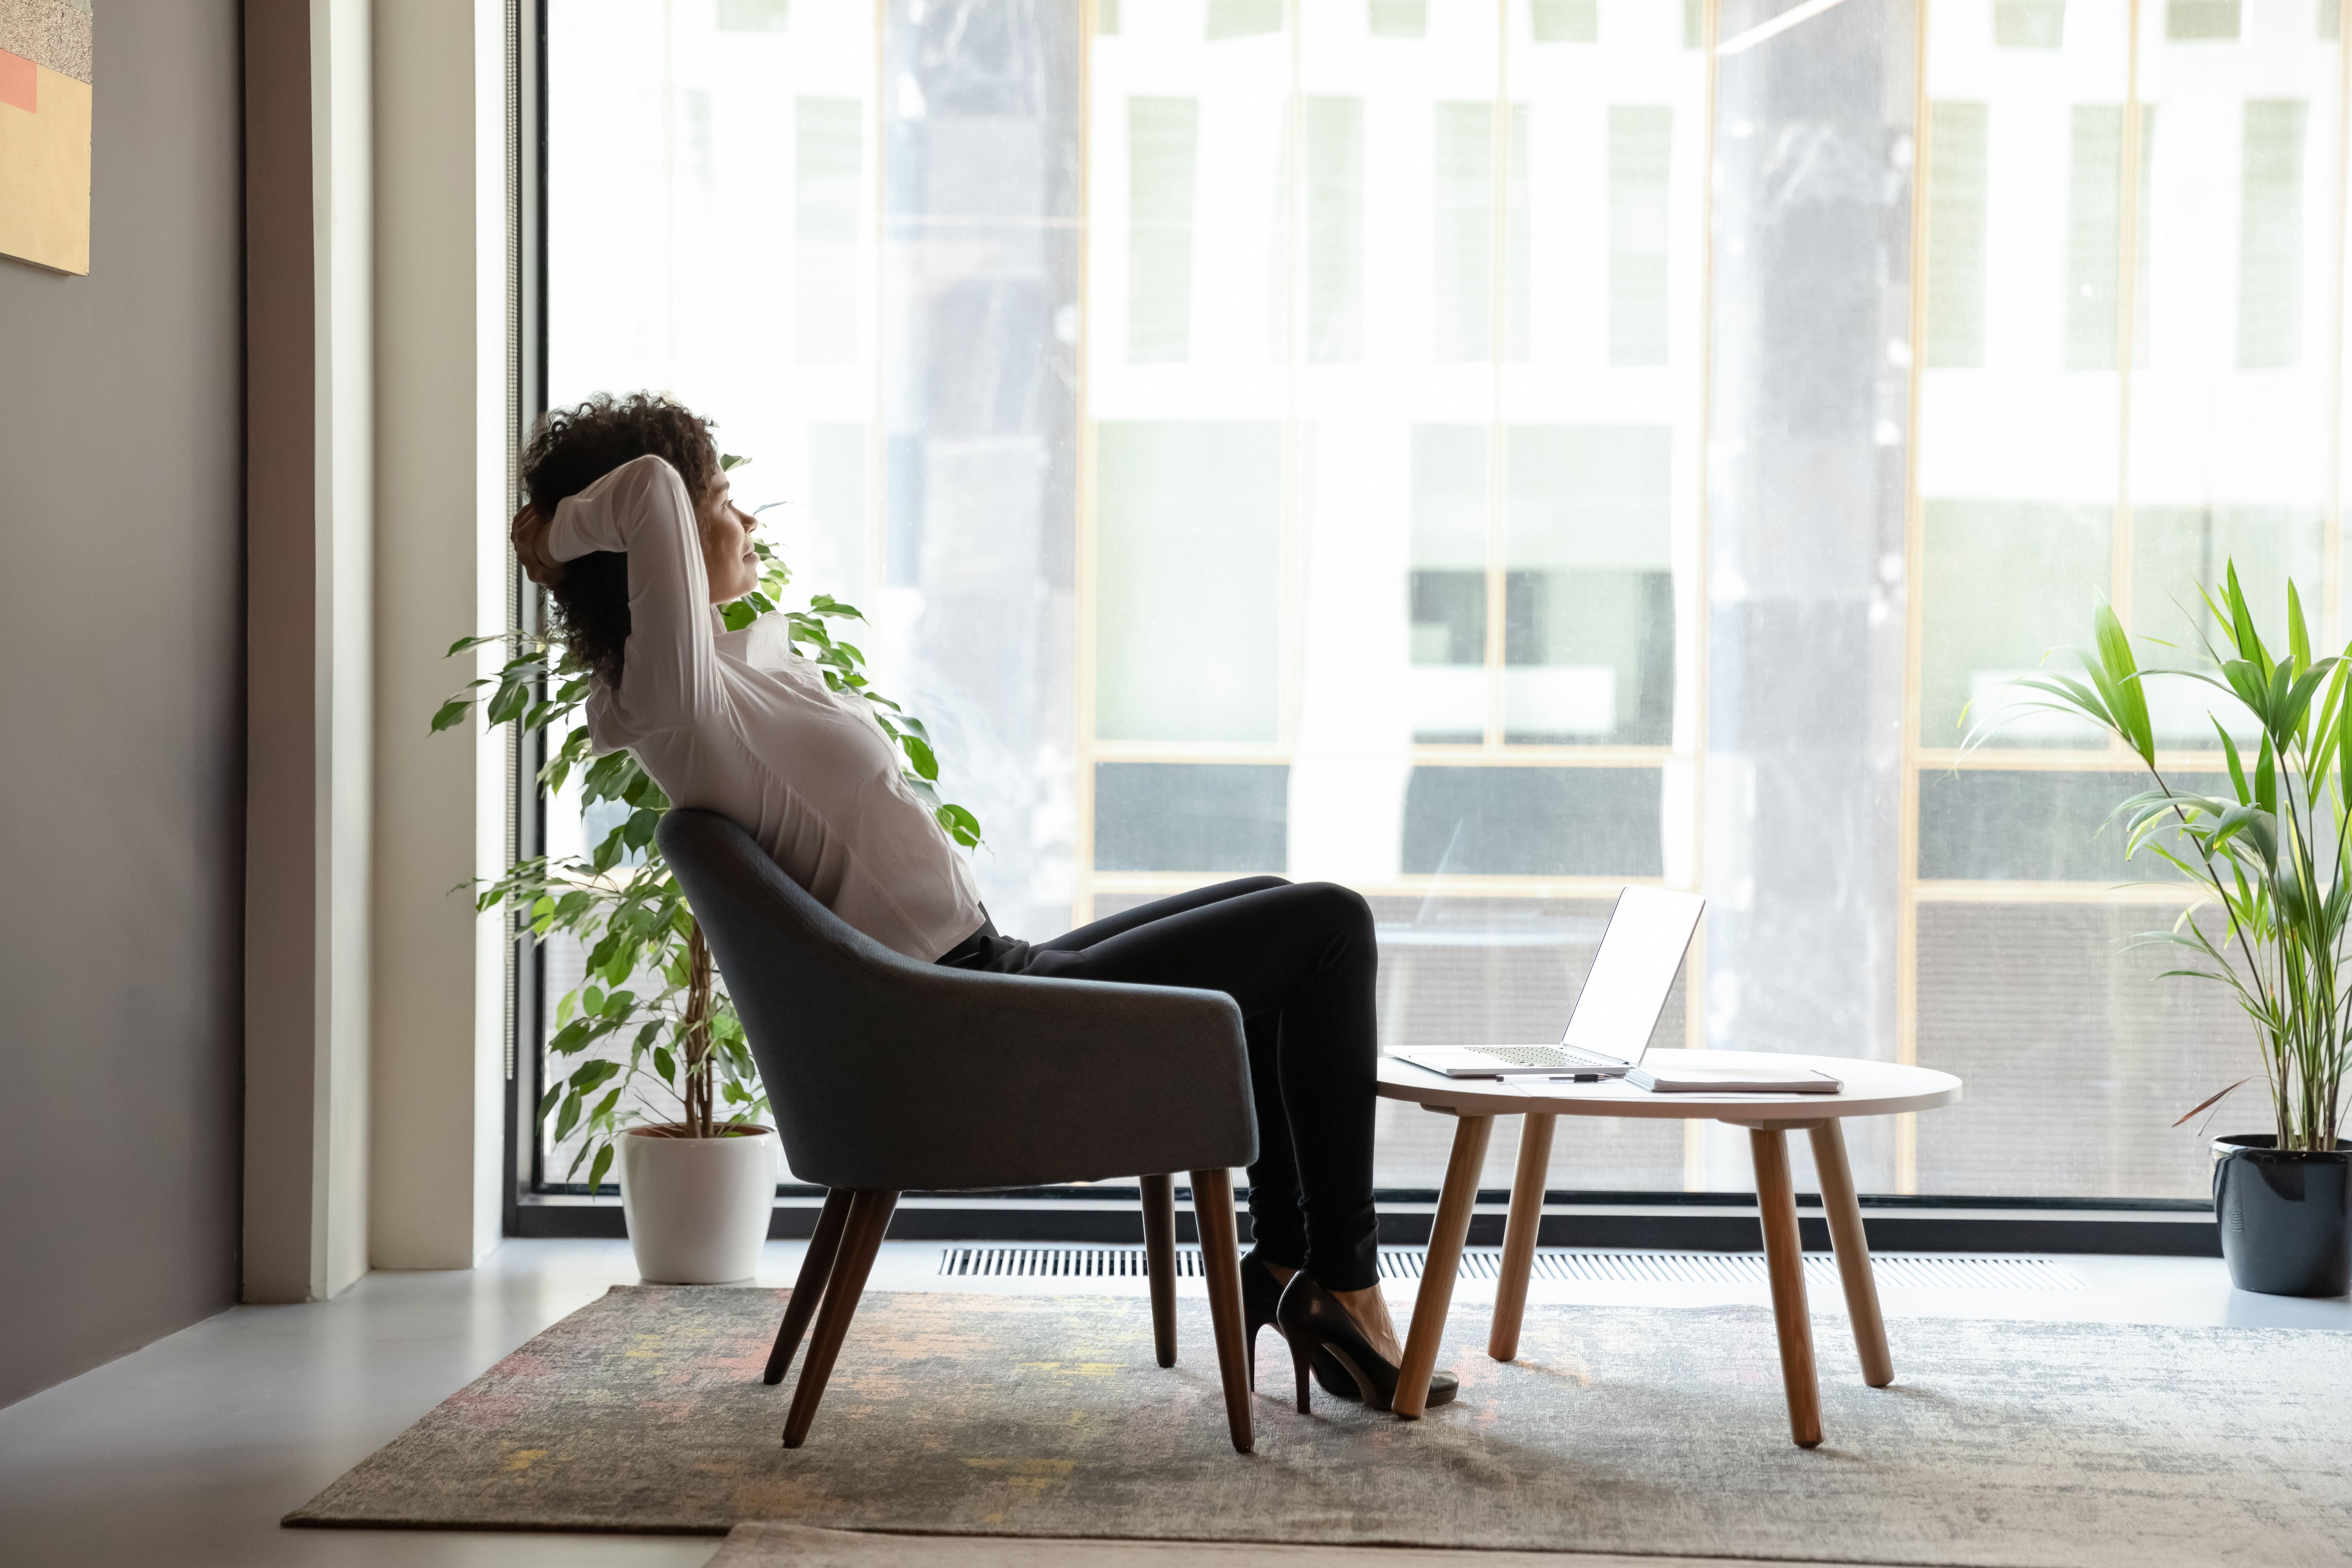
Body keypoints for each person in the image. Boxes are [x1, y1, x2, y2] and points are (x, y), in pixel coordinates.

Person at [511, 392, 1453, 1413]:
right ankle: (1345, 1284)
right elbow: (649, 487)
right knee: (1330, 927)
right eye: (726, 499)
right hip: (961, 1019)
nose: (749, 523)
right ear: (659, 548)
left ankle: (1283, 1267)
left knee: (1280, 908)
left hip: (981, 978)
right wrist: (552, 536)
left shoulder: (719, 685)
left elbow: (659, 505)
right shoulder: (676, 703)